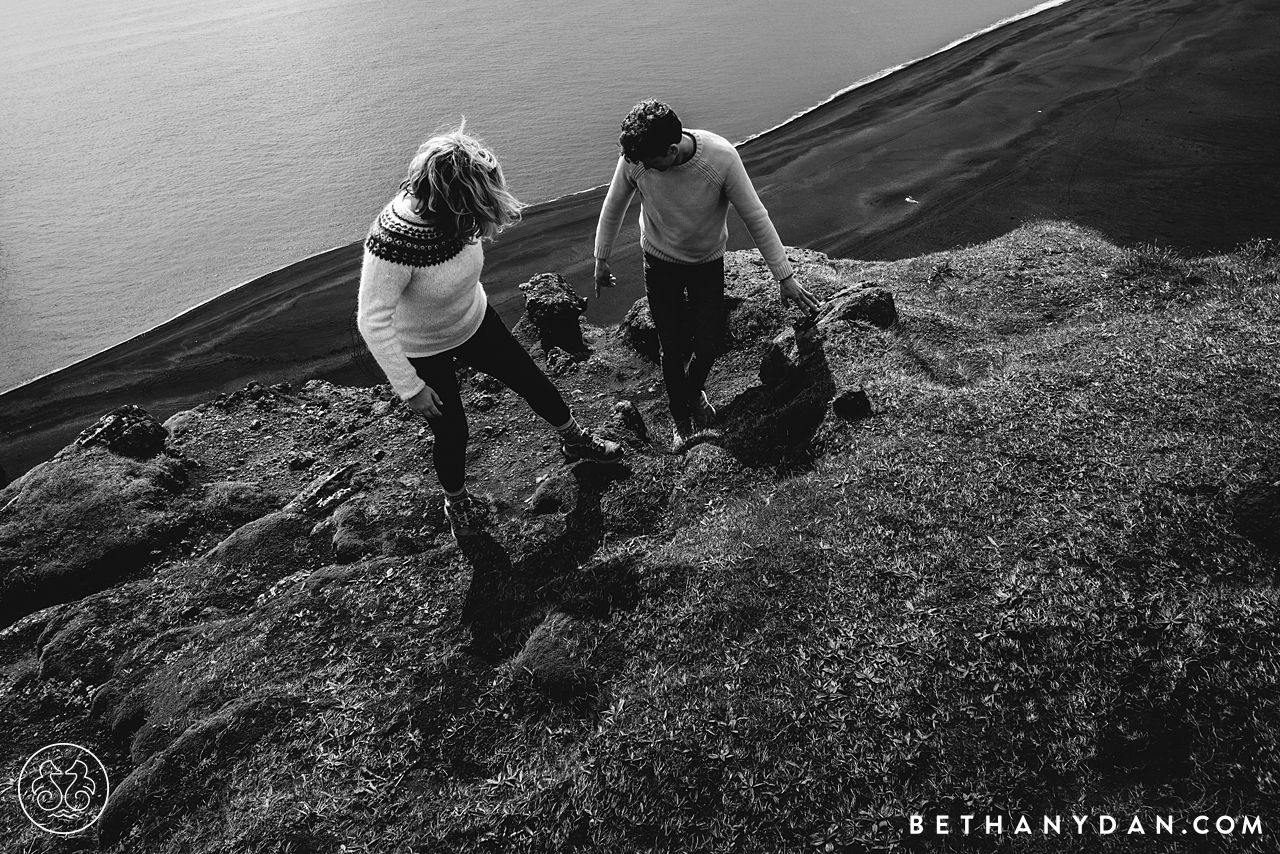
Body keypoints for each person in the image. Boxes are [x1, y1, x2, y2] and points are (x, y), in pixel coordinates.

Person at [358, 123, 622, 539]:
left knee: (532, 380)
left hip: (475, 320)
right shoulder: (393, 240)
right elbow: (371, 319)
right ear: (451, 197)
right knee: (453, 430)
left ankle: (575, 440)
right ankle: (457, 502)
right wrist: (410, 387)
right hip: (422, 347)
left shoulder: (459, 216)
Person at [592, 100, 821, 451]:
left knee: (708, 343)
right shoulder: (636, 159)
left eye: (651, 162)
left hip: (706, 262)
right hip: (659, 261)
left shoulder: (721, 158)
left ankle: (693, 390)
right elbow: (613, 208)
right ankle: (680, 418)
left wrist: (784, 276)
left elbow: (755, 217)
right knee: (670, 346)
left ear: (671, 150)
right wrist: (601, 258)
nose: (641, 168)